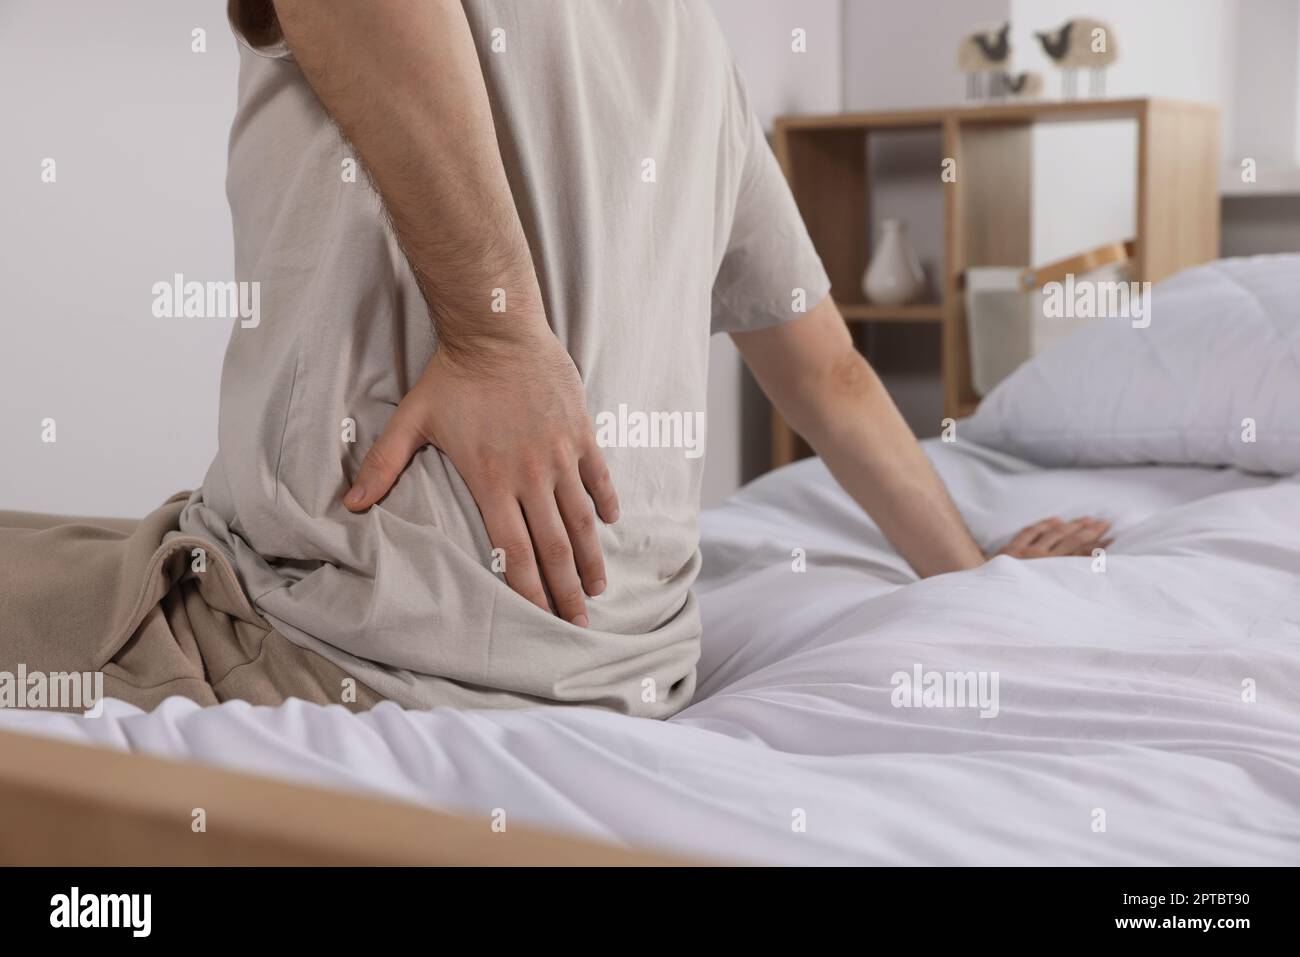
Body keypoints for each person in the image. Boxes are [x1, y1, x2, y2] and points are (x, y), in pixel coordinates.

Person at [0, 0, 1109, 718]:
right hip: (626, 673)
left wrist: (497, 338)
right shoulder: (698, 51)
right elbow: (830, 376)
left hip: (328, 645)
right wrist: (971, 570)